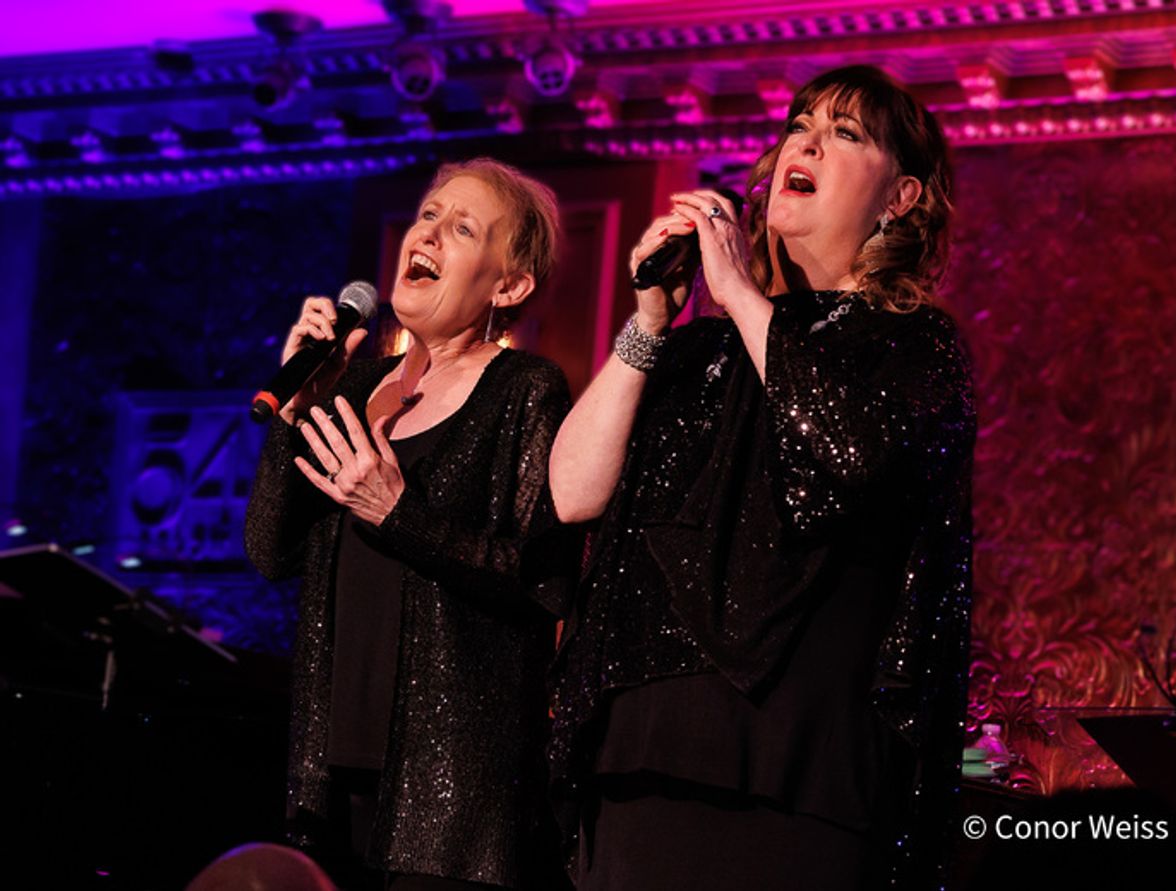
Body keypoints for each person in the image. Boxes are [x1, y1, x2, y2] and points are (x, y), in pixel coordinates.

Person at [547, 66, 976, 889]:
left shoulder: (915, 346)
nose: (805, 141)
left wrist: (741, 292)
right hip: (642, 753)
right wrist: (647, 324)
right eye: (799, 123)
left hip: (798, 770)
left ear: (901, 197)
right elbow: (572, 492)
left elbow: (847, 451)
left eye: (845, 133)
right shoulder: (703, 352)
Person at [245, 158, 576, 891]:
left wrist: (401, 517)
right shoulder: (356, 384)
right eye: (429, 214)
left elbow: (542, 580)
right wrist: (295, 414)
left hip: (450, 795)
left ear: (509, 284)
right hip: (335, 773)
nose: (428, 232)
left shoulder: (525, 391)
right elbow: (270, 550)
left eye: (462, 227)